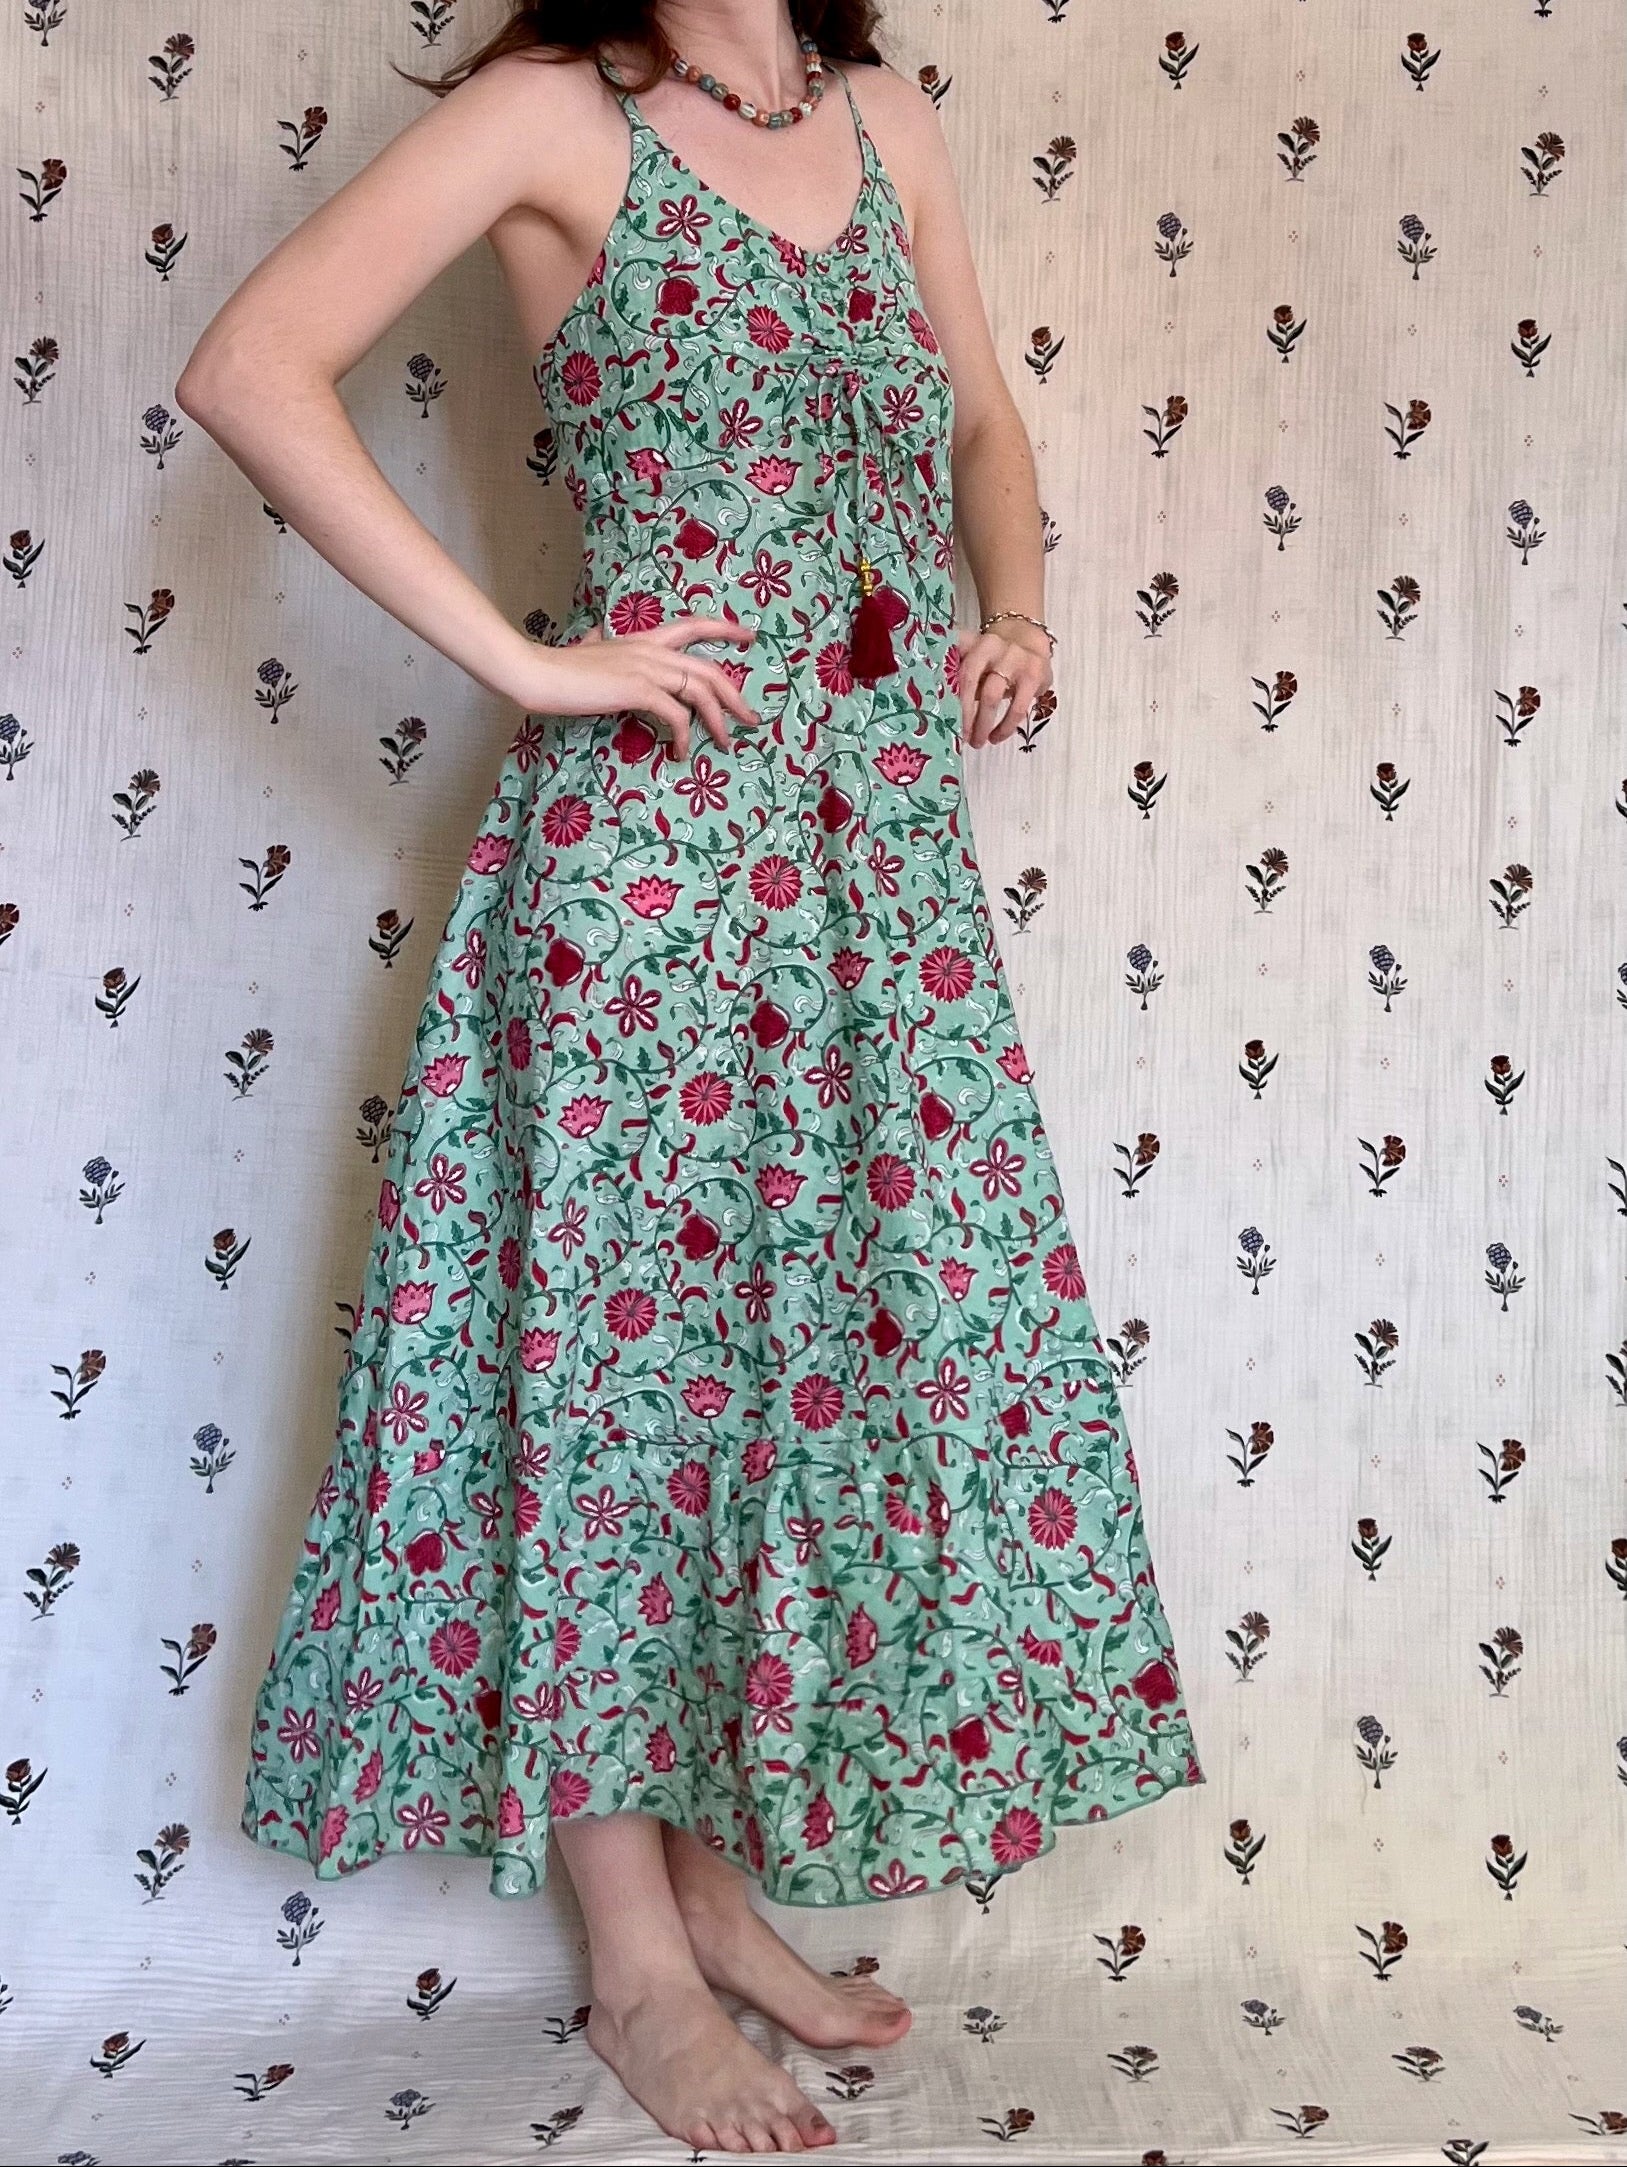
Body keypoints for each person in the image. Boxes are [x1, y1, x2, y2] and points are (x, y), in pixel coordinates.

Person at [175, 1, 1206, 2153]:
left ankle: (714, 1882)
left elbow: (982, 422)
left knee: (799, 1360)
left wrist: (1014, 610)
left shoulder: (886, 116)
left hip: (874, 869)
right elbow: (251, 367)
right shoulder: (553, 117)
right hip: (649, 872)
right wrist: (532, 660)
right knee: (621, 1380)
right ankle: (635, 1955)